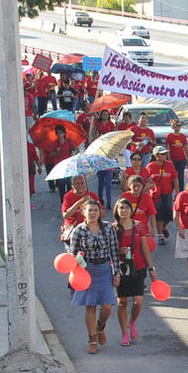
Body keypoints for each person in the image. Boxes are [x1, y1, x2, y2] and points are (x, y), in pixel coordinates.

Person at [68, 200, 121, 355]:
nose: (92, 213)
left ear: (100, 212)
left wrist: (116, 273)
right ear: (84, 212)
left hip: (104, 269)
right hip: (87, 270)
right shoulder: (79, 230)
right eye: (89, 210)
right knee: (90, 305)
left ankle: (100, 327)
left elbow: (114, 251)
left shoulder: (108, 228)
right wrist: (77, 260)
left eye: (95, 210)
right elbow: (72, 253)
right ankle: (92, 339)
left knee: (107, 306)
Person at [112, 198, 157, 347]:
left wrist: (151, 268)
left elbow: (145, 247)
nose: (123, 211)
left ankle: (132, 323)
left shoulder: (139, 226)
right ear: (117, 211)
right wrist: (119, 251)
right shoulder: (113, 228)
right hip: (121, 268)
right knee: (122, 302)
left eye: (126, 208)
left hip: (138, 267)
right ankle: (124, 333)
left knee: (138, 301)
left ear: (131, 211)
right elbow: (109, 250)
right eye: (121, 208)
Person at [146, 146, 179, 244]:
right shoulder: (150, 166)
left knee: (169, 214)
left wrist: (177, 192)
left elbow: (174, 178)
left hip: (168, 193)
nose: (165, 155)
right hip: (156, 195)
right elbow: (147, 180)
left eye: (165, 153)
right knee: (159, 215)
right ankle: (160, 235)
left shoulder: (169, 165)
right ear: (156, 155)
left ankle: (163, 227)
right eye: (163, 154)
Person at [90, 109, 117, 209]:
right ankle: (100, 199)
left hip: (109, 159)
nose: (105, 115)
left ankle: (109, 202)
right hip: (99, 155)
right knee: (100, 182)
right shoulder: (97, 123)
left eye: (107, 114)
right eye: (103, 114)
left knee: (108, 183)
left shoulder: (111, 124)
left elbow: (114, 135)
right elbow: (93, 133)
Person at [44, 124, 74, 200]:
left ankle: (68, 198)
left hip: (68, 164)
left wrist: (75, 151)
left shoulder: (69, 142)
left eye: (60, 132)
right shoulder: (55, 143)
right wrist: (56, 152)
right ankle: (62, 200)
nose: (59, 134)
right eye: (57, 133)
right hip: (59, 165)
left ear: (64, 133)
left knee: (69, 183)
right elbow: (50, 154)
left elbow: (74, 150)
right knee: (61, 184)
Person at [165, 119, 188, 191]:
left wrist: (187, 159)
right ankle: (172, 191)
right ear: (172, 127)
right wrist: (169, 159)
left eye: (179, 126)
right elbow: (168, 148)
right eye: (175, 126)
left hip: (181, 159)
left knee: (180, 176)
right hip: (173, 159)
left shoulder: (183, 136)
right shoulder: (169, 136)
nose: (177, 128)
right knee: (172, 176)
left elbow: (185, 148)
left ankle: (181, 191)